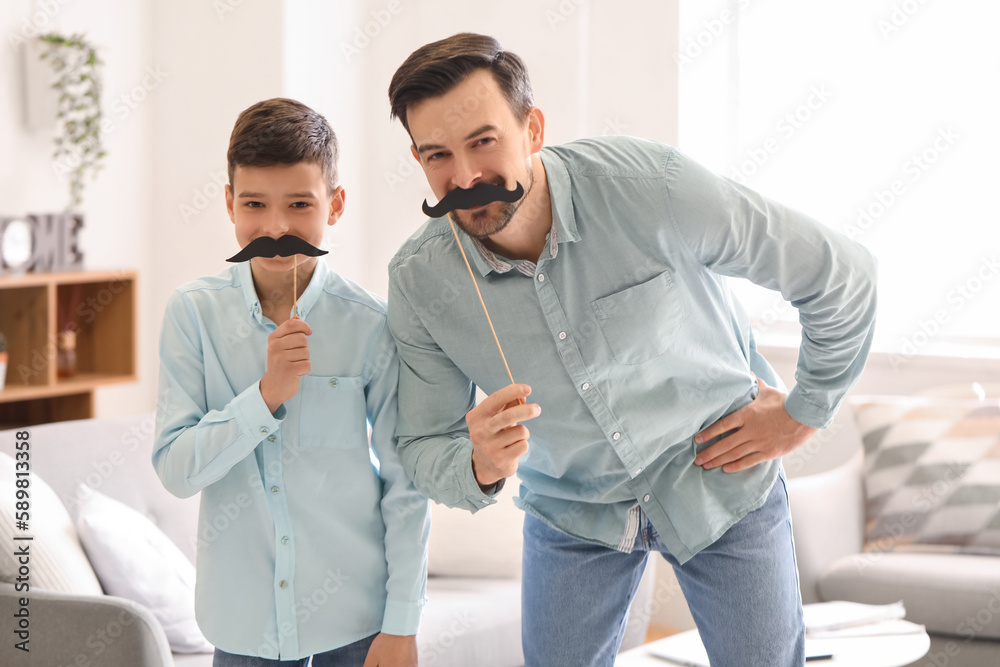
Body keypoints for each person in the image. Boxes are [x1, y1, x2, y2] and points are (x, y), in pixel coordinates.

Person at [385, 33, 877, 667]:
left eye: (483, 141)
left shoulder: (649, 188)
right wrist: (477, 463)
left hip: (721, 481)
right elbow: (421, 445)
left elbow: (842, 272)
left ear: (532, 128)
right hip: (572, 512)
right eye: (436, 156)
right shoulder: (420, 283)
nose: (464, 177)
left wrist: (804, 411)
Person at [153, 98, 429, 667]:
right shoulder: (192, 315)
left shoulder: (372, 325)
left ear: (337, 204)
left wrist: (403, 622)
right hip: (241, 626)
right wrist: (264, 396)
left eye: (300, 204)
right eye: (254, 203)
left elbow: (405, 484)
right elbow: (176, 470)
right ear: (229, 203)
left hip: (357, 623)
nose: (275, 228)